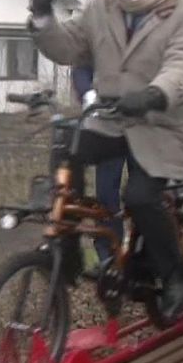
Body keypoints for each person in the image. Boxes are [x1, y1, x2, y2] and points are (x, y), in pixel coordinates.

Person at [26, 0, 183, 320]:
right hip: (112, 119)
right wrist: (41, 14)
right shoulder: (100, 6)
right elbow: (69, 48)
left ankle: (176, 272)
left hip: (163, 125)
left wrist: (153, 95)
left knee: (141, 197)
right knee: (65, 147)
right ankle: (67, 243)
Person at [71, 65, 125, 266]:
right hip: (105, 124)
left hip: (142, 124)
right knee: (102, 194)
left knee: (141, 196)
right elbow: (81, 65)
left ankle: (150, 260)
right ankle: (106, 257)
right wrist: (88, 92)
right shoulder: (101, 35)